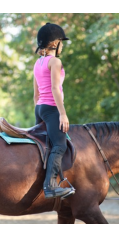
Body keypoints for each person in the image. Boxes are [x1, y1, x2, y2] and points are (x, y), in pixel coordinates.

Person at [33, 22, 75, 199]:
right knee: (59, 145)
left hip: (40, 108)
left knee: (45, 145)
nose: (63, 45)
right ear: (54, 43)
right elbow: (55, 88)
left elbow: (35, 94)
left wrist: (38, 111)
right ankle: (50, 186)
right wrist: (63, 113)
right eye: (61, 42)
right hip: (51, 109)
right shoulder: (55, 62)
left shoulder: (38, 62)